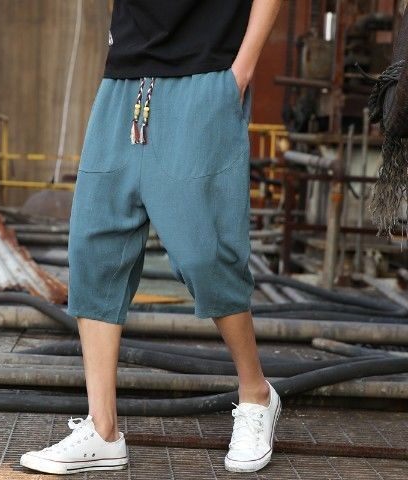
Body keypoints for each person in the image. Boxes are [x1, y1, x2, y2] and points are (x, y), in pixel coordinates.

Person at [20, 0, 283, 475]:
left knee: (205, 254)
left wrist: (240, 73)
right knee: (94, 248)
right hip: (124, 79)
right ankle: (103, 430)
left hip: (206, 77)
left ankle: (256, 394)